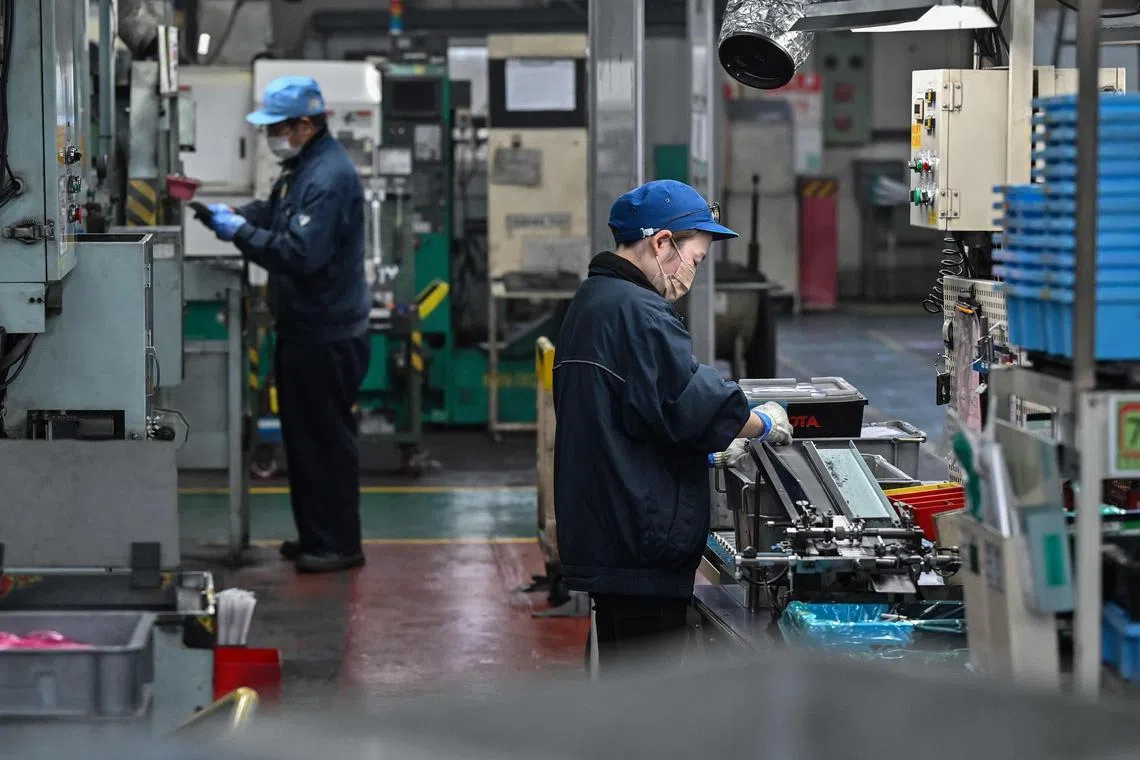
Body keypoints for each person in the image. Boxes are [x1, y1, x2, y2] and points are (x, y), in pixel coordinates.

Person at [552, 180, 793, 668]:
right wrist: (759, 423)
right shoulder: (640, 312)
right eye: (696, 260)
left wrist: (705, 450)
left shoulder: (593, 301)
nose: (692, 275)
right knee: (650, 703)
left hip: (607, 532)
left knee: (625, 686)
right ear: (662, 243)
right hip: (640, 544)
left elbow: (635, 410)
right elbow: (691, 400)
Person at [203, 76, 371, 574]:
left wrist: (242, 234)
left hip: (328, 334)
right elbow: (277, 213)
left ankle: (340, 544)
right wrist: (233, 215)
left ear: (304, 124)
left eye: (277, 127)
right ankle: (315, 535)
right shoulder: (302, 169)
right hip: (306, 328)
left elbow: (300, 255)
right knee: (304, 440)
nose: (271, 136)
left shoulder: (327, 177)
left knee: (326, 442)